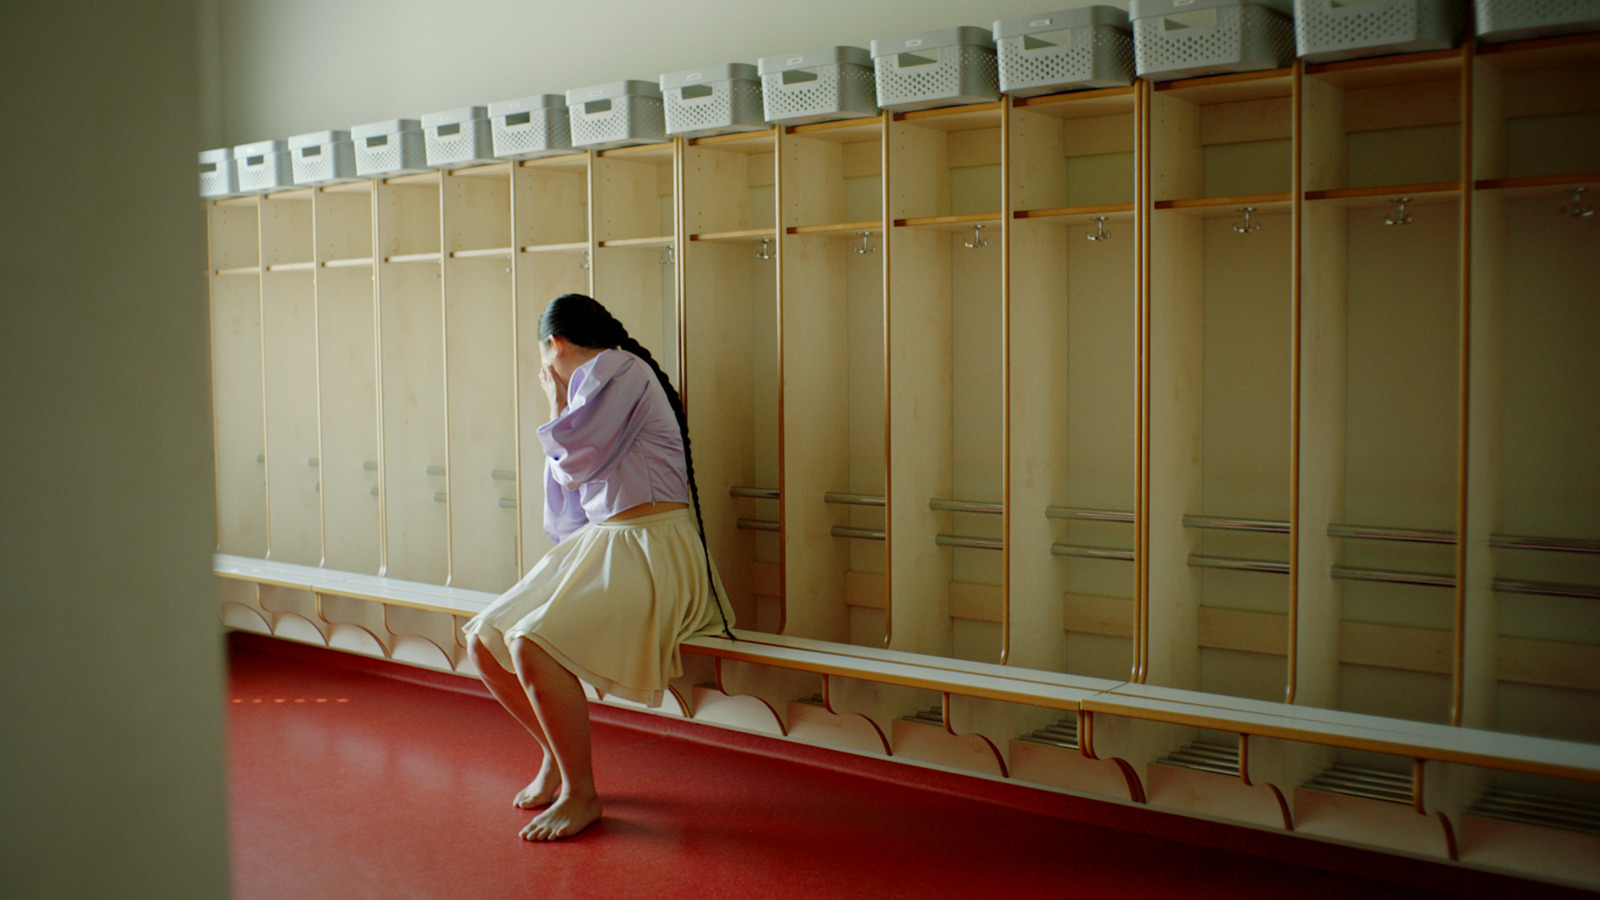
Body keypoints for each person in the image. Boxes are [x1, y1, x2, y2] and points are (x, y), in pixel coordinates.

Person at [461, 293, 735, 842]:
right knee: (484, 640)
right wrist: (559, 406)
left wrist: (554, 402)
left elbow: (575, 460)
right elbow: (573, 490)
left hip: (654, 546)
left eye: (544, 359)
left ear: (554, 345)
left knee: (529, 643)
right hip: (607, 541)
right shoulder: (602, 377)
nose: (545, 370)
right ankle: (556, 760)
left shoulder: (617, 369)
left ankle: (580, 794)